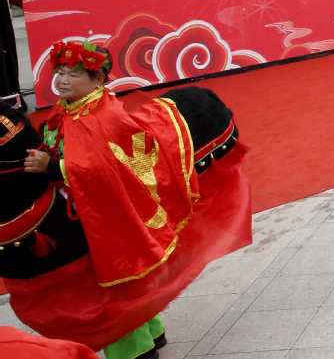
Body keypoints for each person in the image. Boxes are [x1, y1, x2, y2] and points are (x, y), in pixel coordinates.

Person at [21, 42, 201, 358]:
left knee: (112, 284)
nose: (63, 80)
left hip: (109, 217)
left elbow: (104, 168)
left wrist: (53, 166)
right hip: (89, 208)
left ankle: (133, 351)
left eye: (74, 74)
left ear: (99, 78)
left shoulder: (103, 114)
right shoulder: (70, 108)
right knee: (127, 284)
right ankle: (152, 331)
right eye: (60, 72)